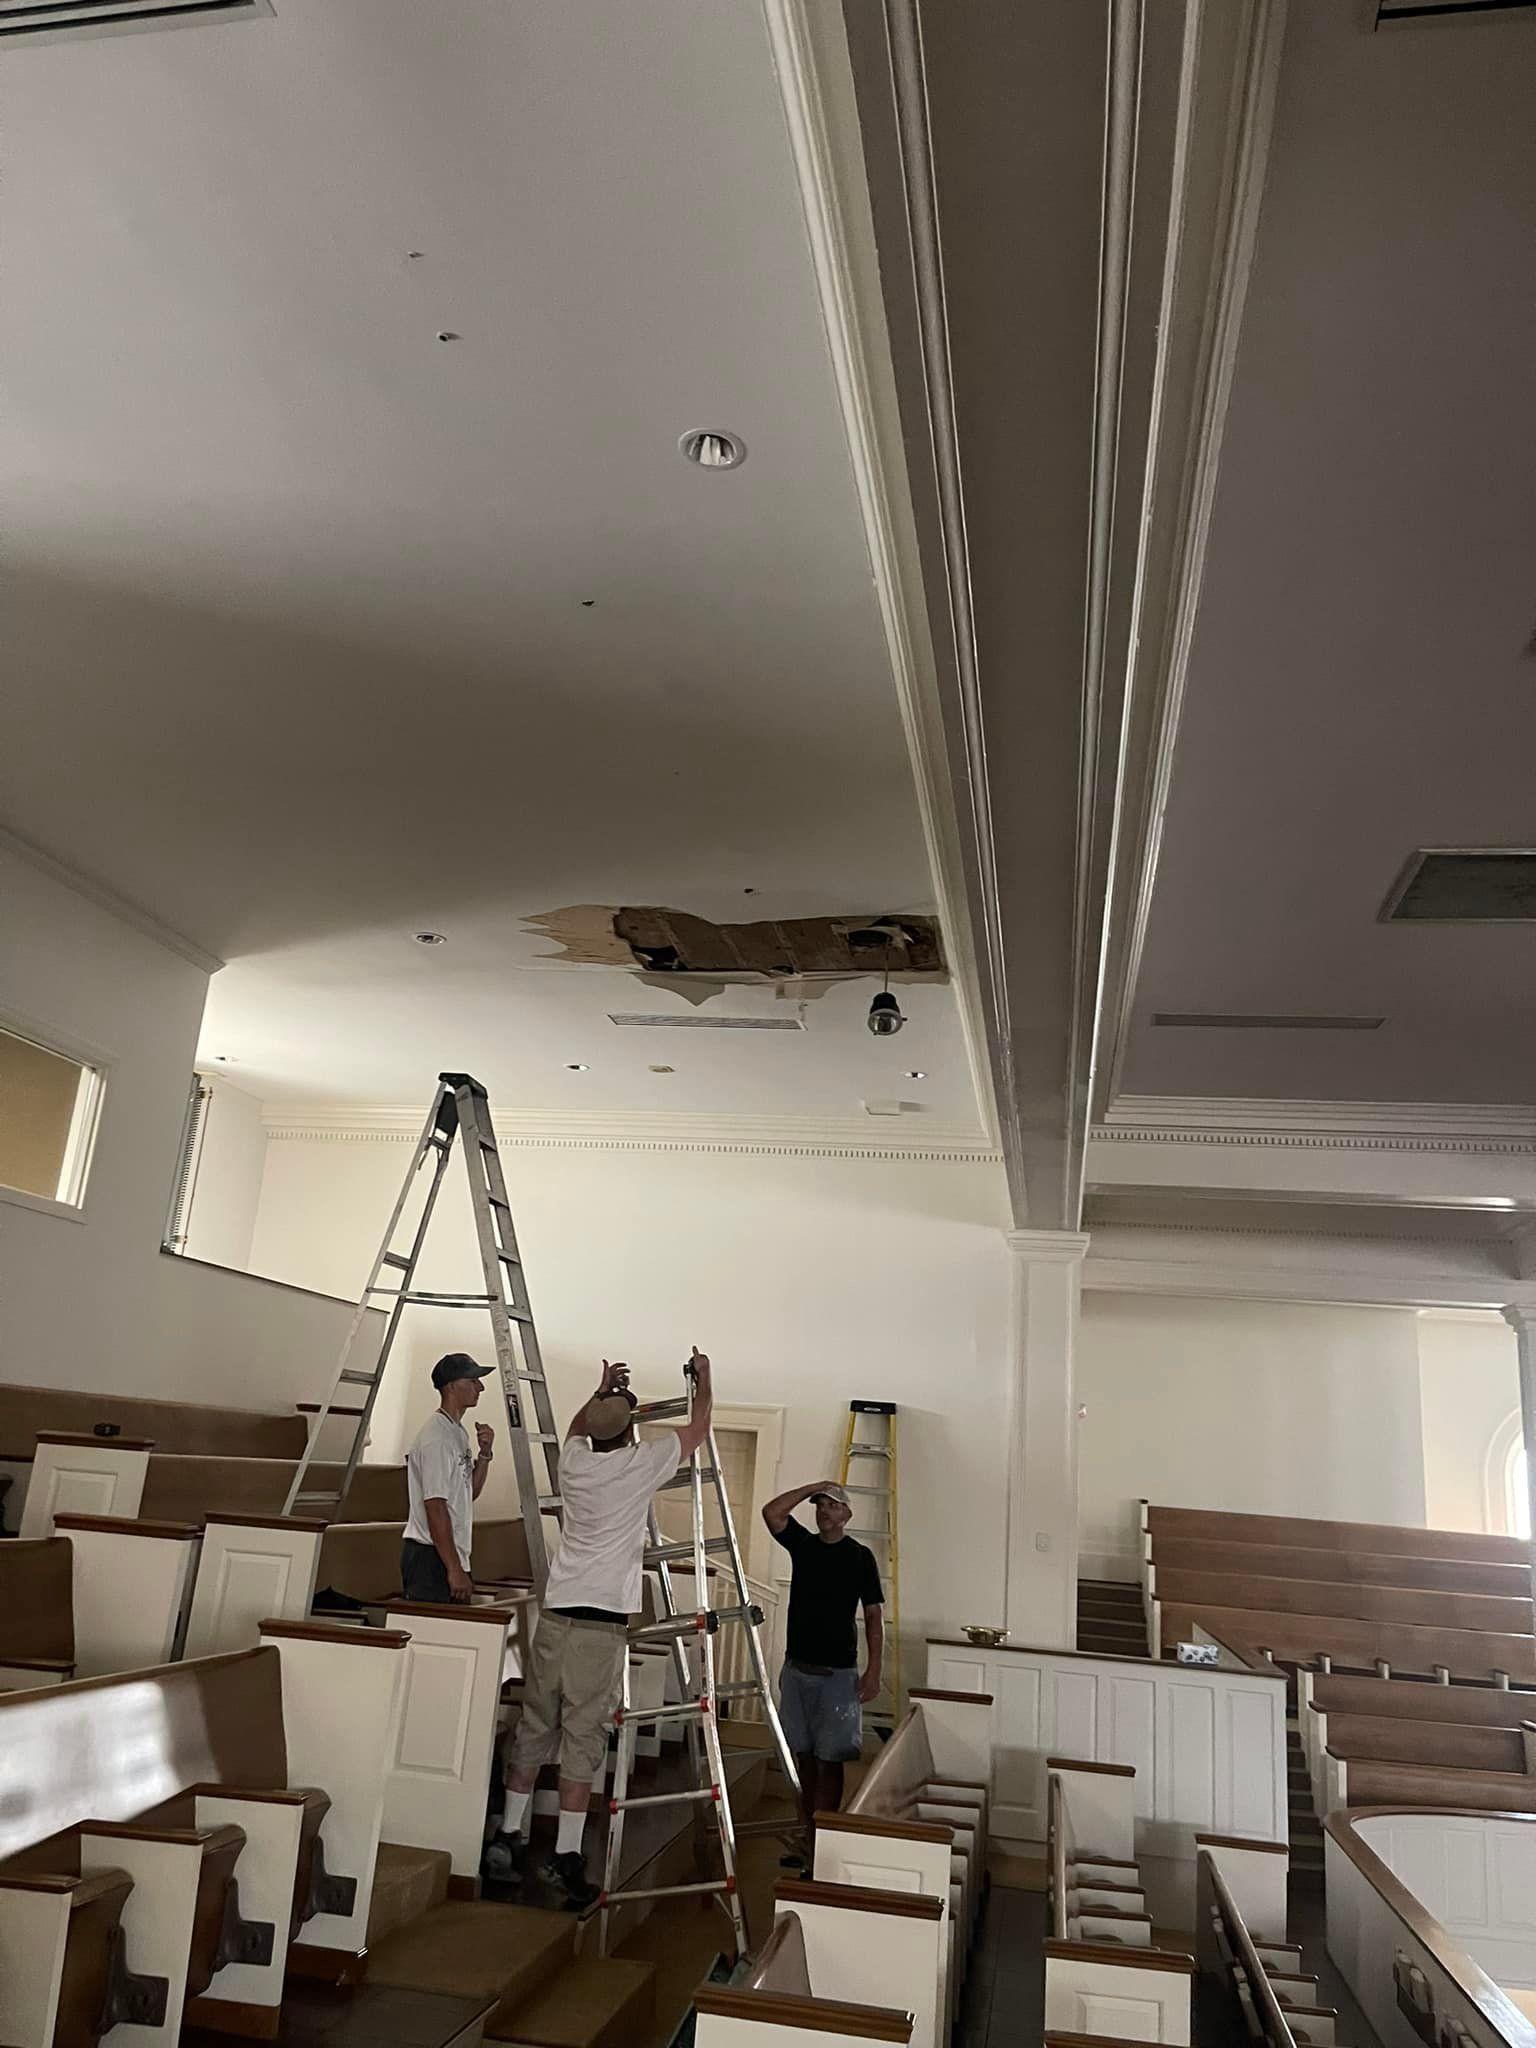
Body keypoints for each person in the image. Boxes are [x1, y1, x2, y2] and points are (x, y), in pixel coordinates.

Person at [484, 1348, 714, 1908]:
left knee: (536, 1726)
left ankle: (509, 1838)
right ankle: (565, 1856)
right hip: (598, 1628)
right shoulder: (637, 1465)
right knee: (583, 1738)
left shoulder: (575, 1462)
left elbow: (575, 1427)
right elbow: (700, 1426)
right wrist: (705, 1378)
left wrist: (599, 1391)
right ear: (629, 1433)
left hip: (557, 1615)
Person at [761, 1476, 884, 1867]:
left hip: (838, 1675)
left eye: (832, 1504)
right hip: (798, 1670)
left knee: (831, 1761)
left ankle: (824, 1843)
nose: (824, 1511)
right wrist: (813, 1486)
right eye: (820, 1505)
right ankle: (808, 1836)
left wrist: (874, 1670)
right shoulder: (804, 1545)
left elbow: (874, 1616)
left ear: (847, 1514)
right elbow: (772, 1511)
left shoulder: (860, 1556)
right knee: (804, 1759)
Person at [400, 1353, 496, 1602]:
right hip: (431, 1556)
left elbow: (468, 1492)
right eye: (473, 1380)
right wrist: (453, 1569)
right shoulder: (437, 1439)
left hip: (449, 1553)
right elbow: (435, 1506)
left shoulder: (457, 1433)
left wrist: (484, 1455)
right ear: (452, 1386)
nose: (481, 1387)